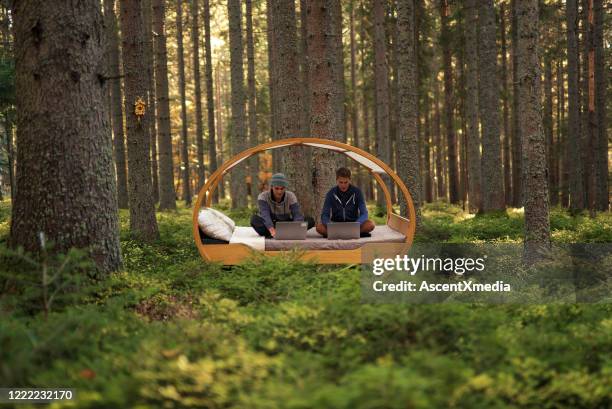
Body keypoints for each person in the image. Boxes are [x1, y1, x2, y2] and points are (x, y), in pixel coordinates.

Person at [250, 173, 315, 238]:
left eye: (282, 188)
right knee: (254, 219)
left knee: (310, 220)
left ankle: (285, 233)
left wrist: (297, 227)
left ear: (285, 188)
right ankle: (278, 233)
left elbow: (297, 214)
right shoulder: (263, 196)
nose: (279, 192)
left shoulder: (291, 196)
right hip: (270, 225)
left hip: (286, 224)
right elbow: (265, 215)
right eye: (277, 188)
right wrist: (271, 229)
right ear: (272, 187)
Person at [316, 167, 375, 237]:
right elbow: (325, 215)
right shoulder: (331, 193)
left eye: (346, 182)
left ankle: (340, 234)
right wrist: (330, 225)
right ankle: (352, 234)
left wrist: (357, 223)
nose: (343, 185)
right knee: (319, 227)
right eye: (341, 182)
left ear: (349, 180)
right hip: (336, 225)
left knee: (370, 225)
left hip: (353, 224)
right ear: (336, 180)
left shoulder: (357, 192)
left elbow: (364, 213)